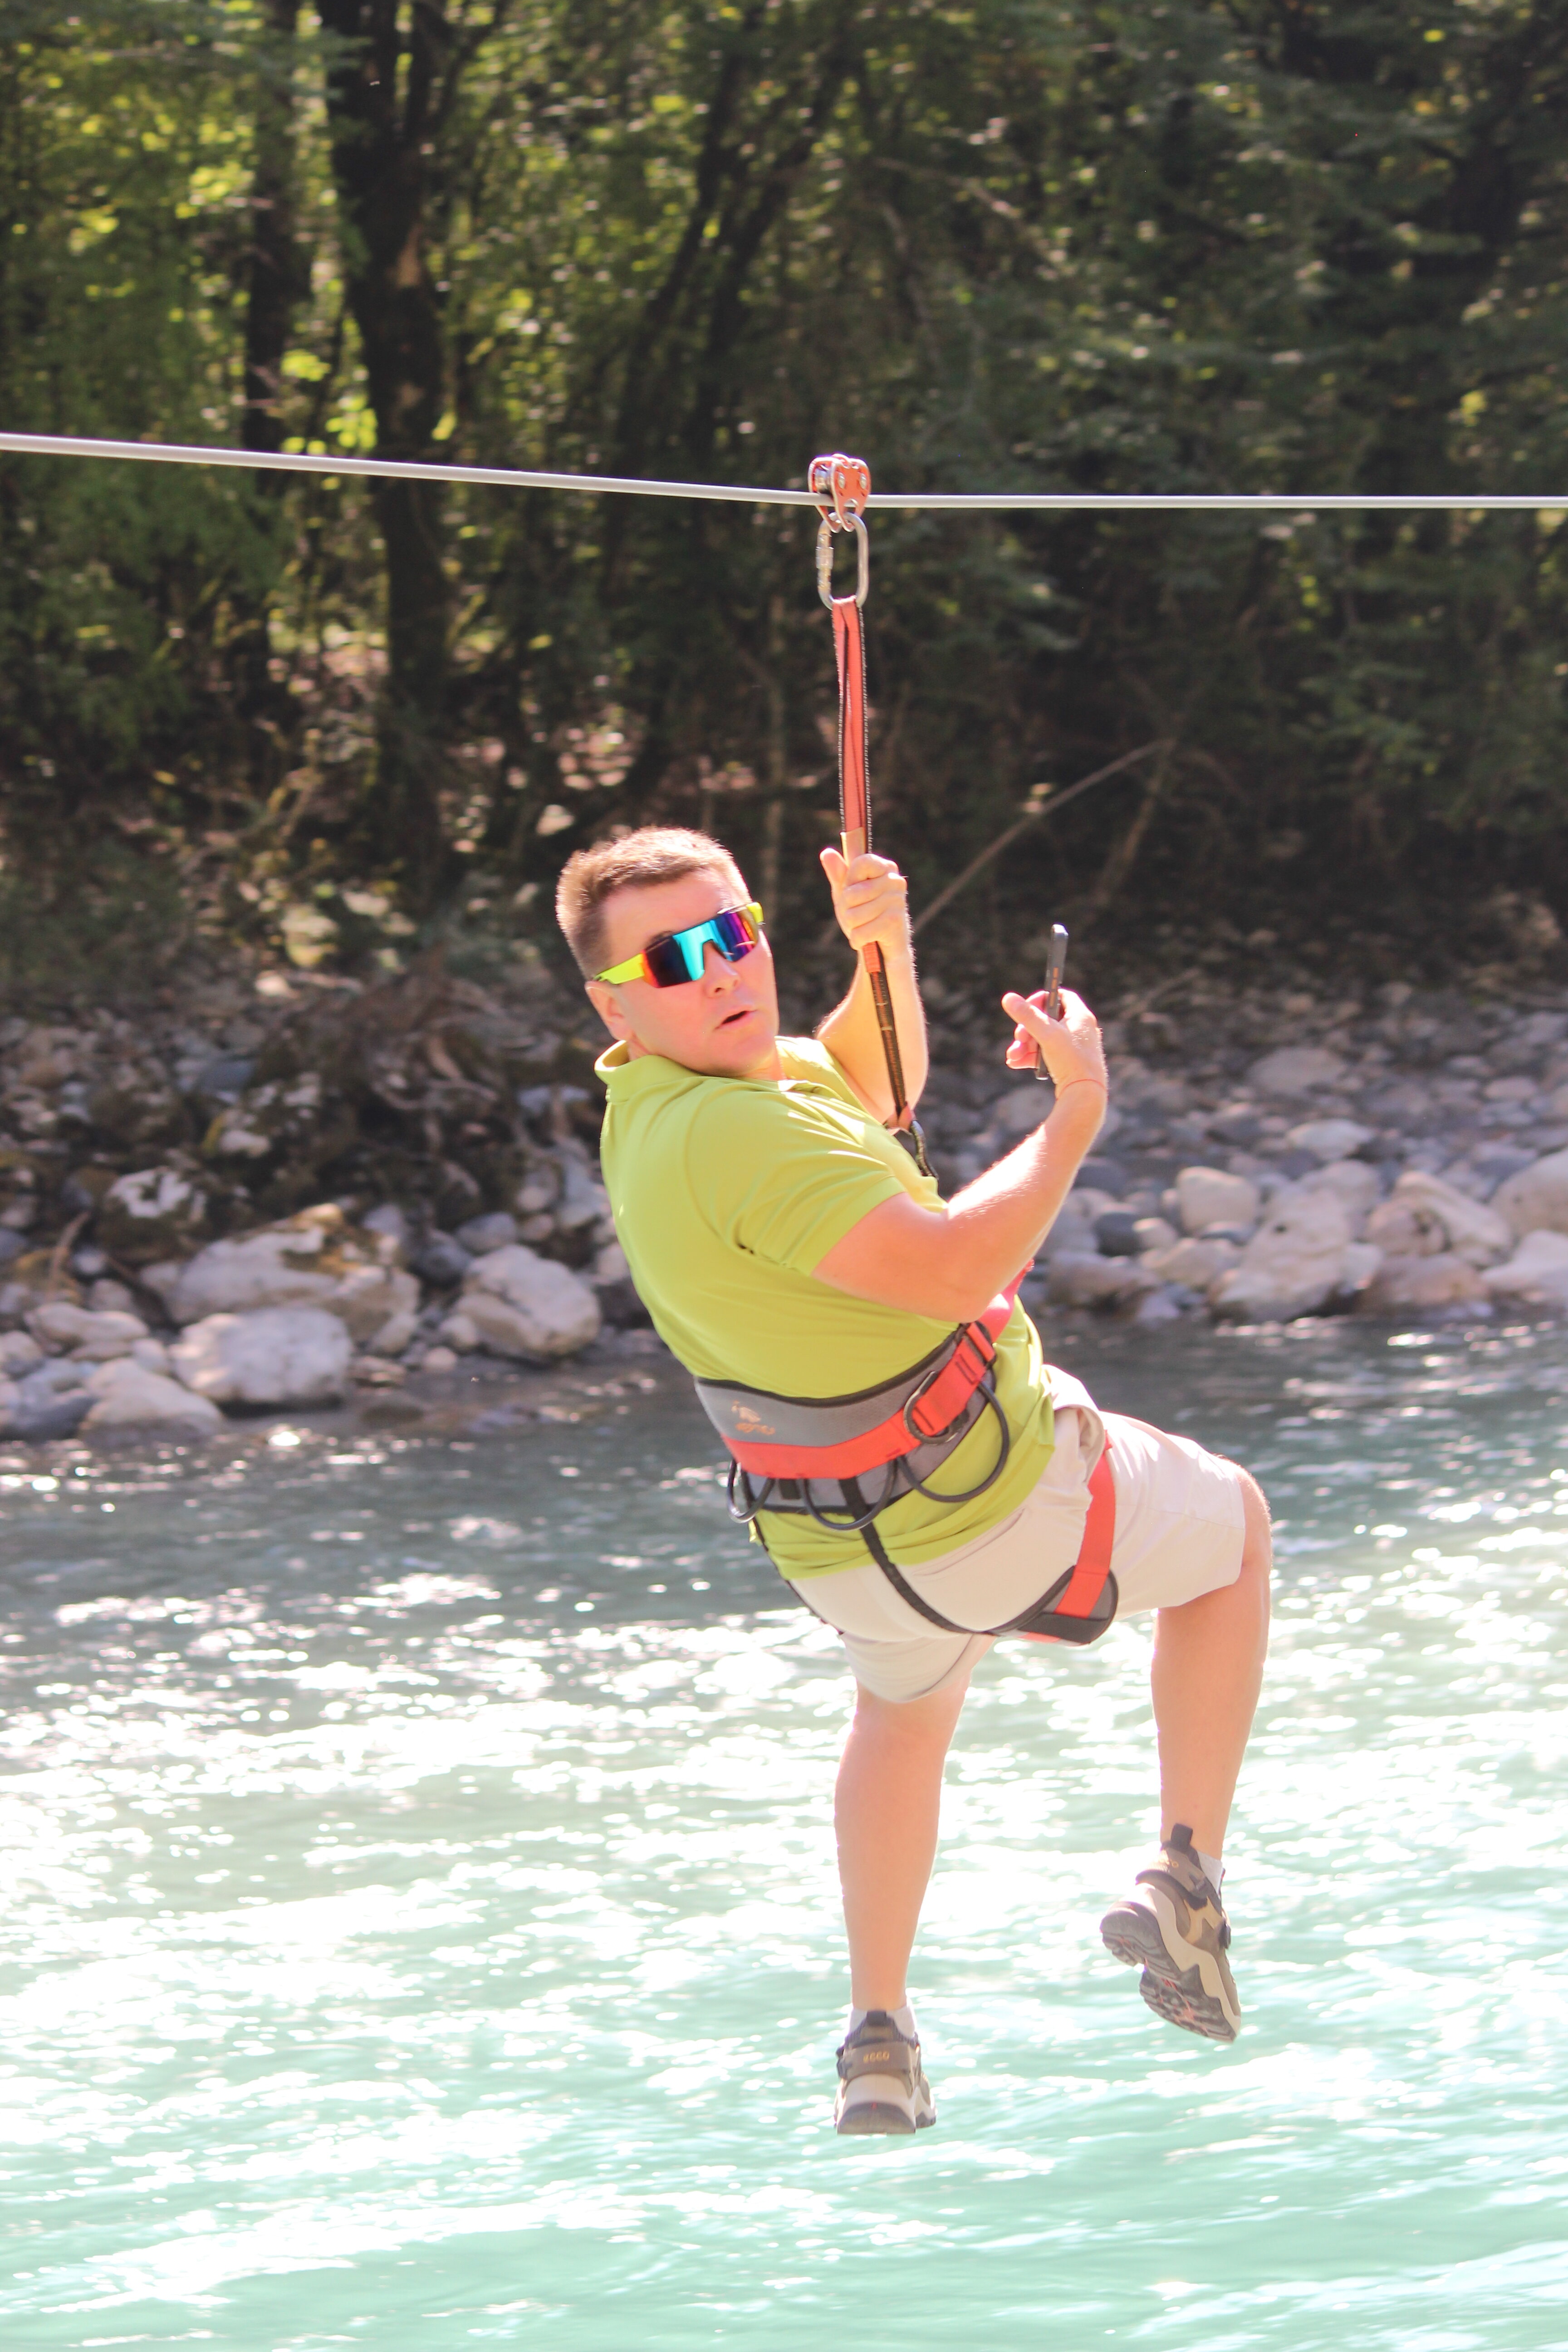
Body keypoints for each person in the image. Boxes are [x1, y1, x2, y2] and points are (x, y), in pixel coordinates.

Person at [557, 824, 1271, 2137]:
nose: (725, 968)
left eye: (740, 931)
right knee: (1235, 1534)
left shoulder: (671, 1097)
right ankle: (1187, 1875)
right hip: (997, 1495)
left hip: (848, 1558)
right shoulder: (739, 1140)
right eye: (677, 958)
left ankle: (878, 2030)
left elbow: (858, 1080)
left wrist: (880, 943)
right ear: (613, 1001)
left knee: (907, 1711)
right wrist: (1074, 1115)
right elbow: (952, 1270)